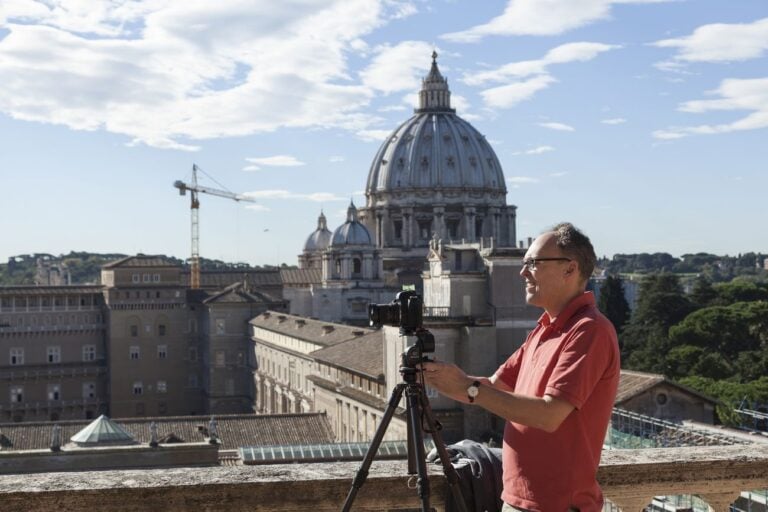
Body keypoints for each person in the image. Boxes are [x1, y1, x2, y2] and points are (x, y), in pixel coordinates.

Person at [422, 222, 620, 512]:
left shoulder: (590, 331)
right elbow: (494, 386)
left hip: (556, 505)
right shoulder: (543, 330)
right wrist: (441, 378)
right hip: (517, 498)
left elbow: (550, 414)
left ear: (570, 268)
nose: (522, 272)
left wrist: (469, 388)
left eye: (533, 263)